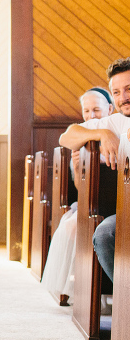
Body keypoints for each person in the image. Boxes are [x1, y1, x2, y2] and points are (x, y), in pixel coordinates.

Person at [59, 58, 130, 285]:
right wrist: (101, 134)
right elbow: (67, 137)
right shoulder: (116, 123)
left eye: (129, 89)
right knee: (104, 234)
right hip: (126, 211)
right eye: (116, 92)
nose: (123, 97)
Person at [41, 88, 114, 304]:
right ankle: (85, 287)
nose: (91, 116)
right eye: (87, 111)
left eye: (97, 110)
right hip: (91, 202)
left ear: (110, 109)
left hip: (113, 204)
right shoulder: (80, 137)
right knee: (73, 225)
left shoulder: (119, 129)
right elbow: (80, 188)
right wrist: (77, 167)